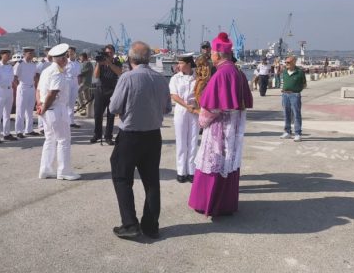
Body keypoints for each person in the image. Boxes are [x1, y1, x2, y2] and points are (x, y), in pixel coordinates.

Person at [108, 41, 171, 239]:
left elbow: (114, 107)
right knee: (151, 181)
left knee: (122, 178)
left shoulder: (127, 78)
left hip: (131, 135)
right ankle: (151, 226)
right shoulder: (160, 79)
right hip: (153, 135)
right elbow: (167, 108)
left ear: (130, 58)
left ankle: (130, 224)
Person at [188, 32, 253, 217]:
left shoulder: (221, 74)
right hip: (233, 129)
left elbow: (212, 108)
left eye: (213, 54)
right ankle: (225, 205)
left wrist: (201, 120)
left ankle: (208, 203)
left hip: (219, 130)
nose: (211, 57)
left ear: (217, 54)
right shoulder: (238, 72)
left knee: (214, 163)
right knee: (227, 165)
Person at [36, 43, 81, 181]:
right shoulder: (57, 72)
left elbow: (38, 91)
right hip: (56, 109)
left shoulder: (46, 71)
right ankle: (64, 171)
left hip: (47, 109)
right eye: (66, 57)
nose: (67, 59)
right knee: (63, 140)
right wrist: (43, 107)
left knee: (49, 140)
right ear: (63, 59)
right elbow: (52, 93)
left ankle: (45, 169)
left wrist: (40, 105)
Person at [169, 54, 199, 183]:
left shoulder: (197, 78)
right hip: (181, 109)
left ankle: (191, 171)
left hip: (195, 110)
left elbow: (201, 93)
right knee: (181, 142)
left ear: (188, 64)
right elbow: (174, 96)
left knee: (193, 141)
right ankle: (181, 171)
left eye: (181, 63)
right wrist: (187, 106)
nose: (178, 65)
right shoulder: (175, 78)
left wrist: (196, 106)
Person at [91, 44, 123, 145]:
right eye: (107, 52)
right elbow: (96, 76)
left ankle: (108, 136)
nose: (109, 54)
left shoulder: (117, 61)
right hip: (100, 90)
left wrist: (109, 63)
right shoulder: (100, 62)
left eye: (111, 52)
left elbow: (119, 72)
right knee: (97, 114)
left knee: (111, 114)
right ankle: (97, 134)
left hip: (112, 90)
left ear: (113, 53)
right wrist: (99, 64)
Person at [280, 55, 307, 141]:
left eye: (288, 62)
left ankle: (298, 133)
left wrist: (297, 91)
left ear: (294, 62)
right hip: (285, 95)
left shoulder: (300, 72)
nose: (286, 64)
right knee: (286, 114)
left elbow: (304, 84)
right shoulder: (284, 72)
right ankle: (287, 132)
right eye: (286, 62)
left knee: (296, 114)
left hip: (294, 95)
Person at [0, 48, 15, 143]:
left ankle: (6, 134)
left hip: (9, 90)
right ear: (2, 55)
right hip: (0, 90)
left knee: (7, 114)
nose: (9, 56)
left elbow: (12, 79)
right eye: (7, 54)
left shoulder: (10, 67)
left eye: (9, 54)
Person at [14, 46, 38, 138]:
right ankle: (19, 131)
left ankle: (29, 129)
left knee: (30, 110)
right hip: (23, 87)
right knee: (20, 110)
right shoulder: (19, 64)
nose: (31, 55)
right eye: (29, 53)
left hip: (31, 88)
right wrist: (19, 87)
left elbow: (35, 76)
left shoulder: (33, 64)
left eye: (32, 53)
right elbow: (15, 77)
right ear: (25, 54)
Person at [35, 48, 52, 135]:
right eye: (48, 51)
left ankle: (47, 125)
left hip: (51, 85)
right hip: (43, 85)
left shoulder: (53, 62)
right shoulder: (42, 62)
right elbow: (37, 73)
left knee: (49, 105)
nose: (49, 53)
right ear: (46, 52)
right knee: (41, 104)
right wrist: (39, 84)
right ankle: (41, 126)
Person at [65, 46, 82, 128]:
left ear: (75, 53)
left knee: (72, 103)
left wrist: (78, 85)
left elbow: (79, 75)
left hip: (75, 82)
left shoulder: (78, 63)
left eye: (72, 52)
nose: (70, 53)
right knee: (66, 102)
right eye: (69, 52)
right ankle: (65, 120)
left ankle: (71, 121)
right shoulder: (65, 62)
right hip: (67, 81)